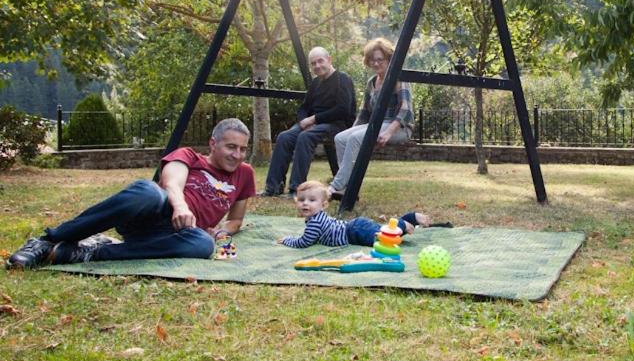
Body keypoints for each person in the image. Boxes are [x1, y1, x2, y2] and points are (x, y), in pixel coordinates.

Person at [6, 118, 256, 269]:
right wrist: (180, 206)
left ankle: (88, 252)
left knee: (203, 245)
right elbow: (170, 181)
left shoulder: (244, 173)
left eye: (243, 149)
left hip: (178, 234)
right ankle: (47, 241)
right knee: (148, 191)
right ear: (213, 143)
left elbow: (235, 220)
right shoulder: (189, 155)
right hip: (153, 213)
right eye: (231, 147)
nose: (237, 155)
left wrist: (221, 231)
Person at [262, 47, 355, 196]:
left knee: (305, 137)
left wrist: (314, 119)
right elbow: (304, 107)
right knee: (284, 137)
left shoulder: (343, 79)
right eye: (313, 63)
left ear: (329, 60)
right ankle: (273, 187)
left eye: (320, 61)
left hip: (337, 124)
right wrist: (303, 121)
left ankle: (296, 188)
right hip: (314, 124)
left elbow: (343, 110)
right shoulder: (316, 83)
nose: (317, 66)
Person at [328, 38, 413, 198]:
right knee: (340, 138)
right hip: (376, 125)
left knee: (354, 138)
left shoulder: (399, 79)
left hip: (398, 128)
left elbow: (405, 111)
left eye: (380, 59)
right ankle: (349, 187)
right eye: (372, 60)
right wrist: (352, 130)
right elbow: (364, 114)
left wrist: (388, 133)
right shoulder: (371, 82)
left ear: (388, 59)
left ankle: (336, 186)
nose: (375, 64)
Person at [278, 181, 429, 249]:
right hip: (355, 227)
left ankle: (403, 223)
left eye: (312, 200)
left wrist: (287, 240)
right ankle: (409, 219)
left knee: (384, 239)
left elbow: (303, 242)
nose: (305, 203)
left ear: (323, 205)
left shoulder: (315, 223)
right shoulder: (316, 218)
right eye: (302, 200)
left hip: (353, 233)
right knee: (384, 232)